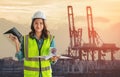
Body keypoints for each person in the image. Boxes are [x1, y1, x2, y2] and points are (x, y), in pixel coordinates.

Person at [9, 11, 58, 77]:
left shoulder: (50, 39)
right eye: (36, 23)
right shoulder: (25, 39)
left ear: (44, 25)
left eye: (41, 23)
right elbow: (20, 57)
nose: (38, 26)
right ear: (33, 24)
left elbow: (52, 59)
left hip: (46, 75)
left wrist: (54, 59)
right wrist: (16, 43)